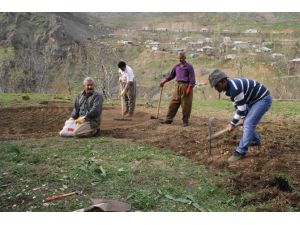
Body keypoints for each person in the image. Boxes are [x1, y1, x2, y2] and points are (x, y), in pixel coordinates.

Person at [208, 69, 272, 162]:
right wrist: (241, 118)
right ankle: (255, 140)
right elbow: (237, 105)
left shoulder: (235, 88)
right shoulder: (228, 89)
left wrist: (232, 123)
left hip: (262, 99)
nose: (215, 88)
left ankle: (241, 152)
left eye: (216, 85)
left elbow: (241, 109)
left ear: (223, 81)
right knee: (245, 122)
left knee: (249, 123)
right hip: (252, 101)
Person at [159, 51, 196, 127]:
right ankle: (169, 119)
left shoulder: (189, 67)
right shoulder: (177, 67)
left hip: (186, 86)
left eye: (182, 58)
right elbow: (171, 76)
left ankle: (185, 122)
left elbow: (192, 79)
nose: (180, 59)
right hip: (177, 86)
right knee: (173, 103)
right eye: (179, 58)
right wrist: (164, 81)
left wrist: (189, 88)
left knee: (186, 105)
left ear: (185, 58)